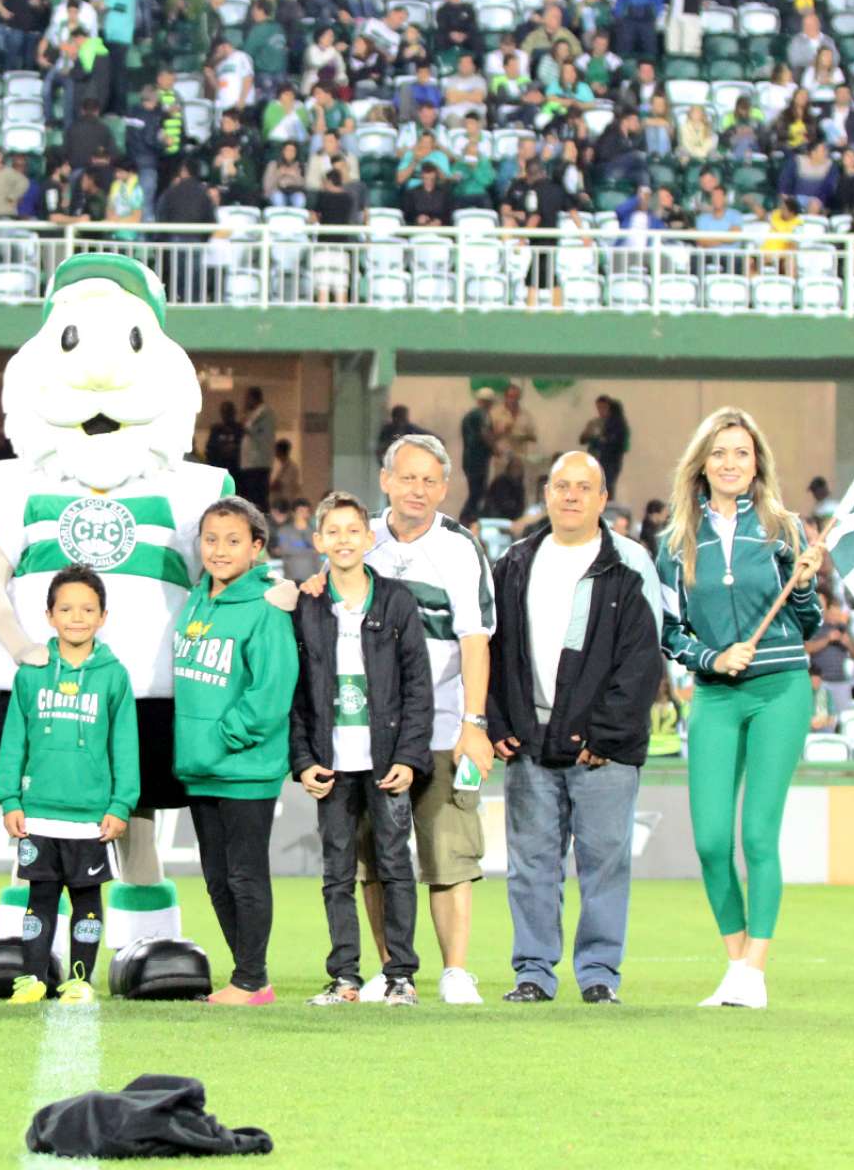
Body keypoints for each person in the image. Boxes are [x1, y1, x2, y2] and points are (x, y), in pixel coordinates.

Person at [655, 407, 825, 1011]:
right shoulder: (674, 542)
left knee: (758, 833)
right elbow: (669, 632)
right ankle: (736, 965)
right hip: (716, 696)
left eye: (743, 454)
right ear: (702, 464)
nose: (731, 463)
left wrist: (803, 584)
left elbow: (808, 623)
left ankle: (755, 969)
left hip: (781, 688)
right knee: (709, 840)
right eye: (720, 453)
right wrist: (710, 658)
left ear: (757, 466)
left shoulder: (784, 528)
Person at [322, 433, 495, 1005]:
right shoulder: (359, 540)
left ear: (444, 489)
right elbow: (318, 599)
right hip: (367, 734)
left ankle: (455, 970)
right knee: (376, 857)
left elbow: (475, 640)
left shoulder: (460, 548)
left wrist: (475, 722)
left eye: (430, 480)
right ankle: (390, 968)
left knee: (447, 852)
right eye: (408, 477)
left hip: (444, 725)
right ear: (386, 480)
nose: (418, 489)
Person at [489, 452, 664, 1005]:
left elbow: (642, 661)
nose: (570, 496)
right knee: (530, 866)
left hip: (602, 752)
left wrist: (604, 736)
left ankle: (598, 975)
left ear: (602, 498)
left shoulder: (630, 563)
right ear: (545, 494)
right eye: (561, 486)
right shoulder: (515, 561)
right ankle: (534, 972)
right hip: (529, 742)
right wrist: (497, 720)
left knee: (604, 864)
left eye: (583, 487)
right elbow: (491, 650)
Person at [291, 492, 433, 1007]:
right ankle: (345, 978)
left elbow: (419, 685)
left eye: (354, 530)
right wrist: (303, 762)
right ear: (319, 541)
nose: (345, 539)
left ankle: (401, 976)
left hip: (385, 763)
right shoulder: (305, 604)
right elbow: (295, 692)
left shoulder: (396, 600)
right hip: (331, 767)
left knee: (396, 866)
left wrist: (410, 757)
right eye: (334, 531)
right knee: (336, 875)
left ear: (370, 539)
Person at [172, 497, 299, 1005]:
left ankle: (252, 980)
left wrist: (225, 736)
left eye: (232, 541)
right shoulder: (195, 599)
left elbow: (271, 691)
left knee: (245, 875)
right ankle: (246, 976)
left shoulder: (266, 606)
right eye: (210, 539)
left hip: (244, 766)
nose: (219, 550)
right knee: (217, 879)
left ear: (256, 548)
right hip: (200, 767)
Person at [0, 565, 138, 1004]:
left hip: (90, 817)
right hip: (38, 811)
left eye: (87, 609)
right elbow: (13, 740)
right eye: (66, 608)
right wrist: (9, 798)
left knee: (87, 901)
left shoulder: (114, 675)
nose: (77, 617)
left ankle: (79, 979)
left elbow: (125, 745)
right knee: (39, 899)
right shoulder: (32, 672)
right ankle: (33, 978)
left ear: (103, 616)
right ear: (49, 616)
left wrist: (120, 804)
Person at [579, 396, 630, 499]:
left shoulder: (617, 424)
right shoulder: (594, 423)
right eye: (599, 407)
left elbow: (620, 444)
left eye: (603, 407)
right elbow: (582, 440)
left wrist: (603, 440)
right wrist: (589, 434)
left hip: (610, 462)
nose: (601, 410)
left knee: (607, 487)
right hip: (594, 461)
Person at [459, 386, 495, 525]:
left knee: (475, 491)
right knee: (477, 492)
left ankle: (468, 518)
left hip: (469, 458)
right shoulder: (482, 415)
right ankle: (467, 518)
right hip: (478, 459)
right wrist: (496, 449)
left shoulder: (469, 415)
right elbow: (485, 434)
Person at [238, 387, 275, 512]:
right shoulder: (254, 413)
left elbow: (255, 431)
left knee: (258, 497)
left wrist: (245, 422)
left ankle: (262, 522)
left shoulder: (264, 413)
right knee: (251, 497)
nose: (245, 402)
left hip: (258, 462)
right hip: (250, 463)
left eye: (247, 398)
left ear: (254, 398)